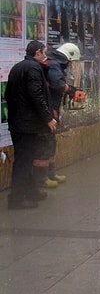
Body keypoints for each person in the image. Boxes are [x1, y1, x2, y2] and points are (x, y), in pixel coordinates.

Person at [5, 41, 58, 209]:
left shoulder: (18, 67)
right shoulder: (34, 69)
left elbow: (8, 94)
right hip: (27, 125)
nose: (45, 56)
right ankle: (17, 199)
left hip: (19, 123)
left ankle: (31, 191)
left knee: (26, 159)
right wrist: (48, 118)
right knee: (24, 161)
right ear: (37, 52)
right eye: (43, 52)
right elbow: (36, 95)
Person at [41, 42, 81, 188]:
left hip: (52, 106)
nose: (71, 65)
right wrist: (70, 90)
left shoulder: (53, 63)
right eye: (71, 62)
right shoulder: (54, 65)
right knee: (46, 142)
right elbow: (57, 84)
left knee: (51, 142)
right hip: (49, 107)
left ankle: (50, 173)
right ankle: (43, 178)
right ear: (67, 58)